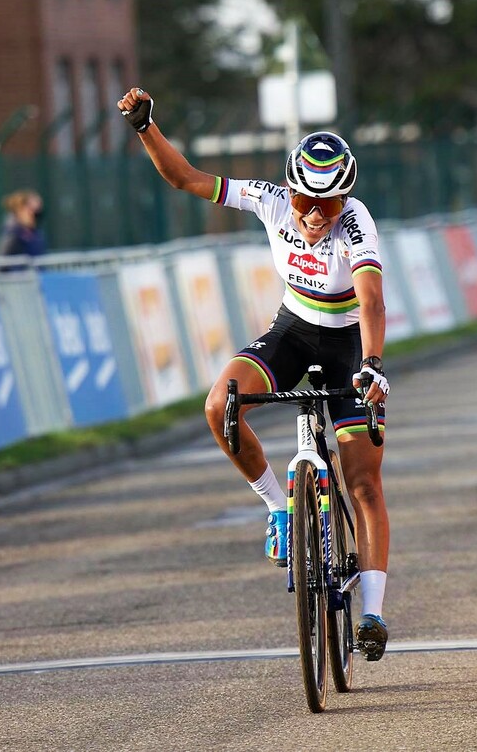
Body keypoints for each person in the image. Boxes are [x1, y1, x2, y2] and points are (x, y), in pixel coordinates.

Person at [116, 86, 392, 661]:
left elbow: (370, 301)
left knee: (363, 481)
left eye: (331, 204)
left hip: (347, 344)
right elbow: (188, 178)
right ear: (288, 189)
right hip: (292, 330)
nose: (316, 216)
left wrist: (371, 366)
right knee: (221, 406)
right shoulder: (268, 200)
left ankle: (372, 611)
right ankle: (277, 505)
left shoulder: (357, 224)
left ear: (348, 196)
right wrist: (146, 128)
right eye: (304, 204)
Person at [0, 189, 47, 260]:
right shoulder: (12, 235)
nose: (36, 216)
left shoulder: (35, 233)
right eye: (32, 212)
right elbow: (1, 261)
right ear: (21, 210)